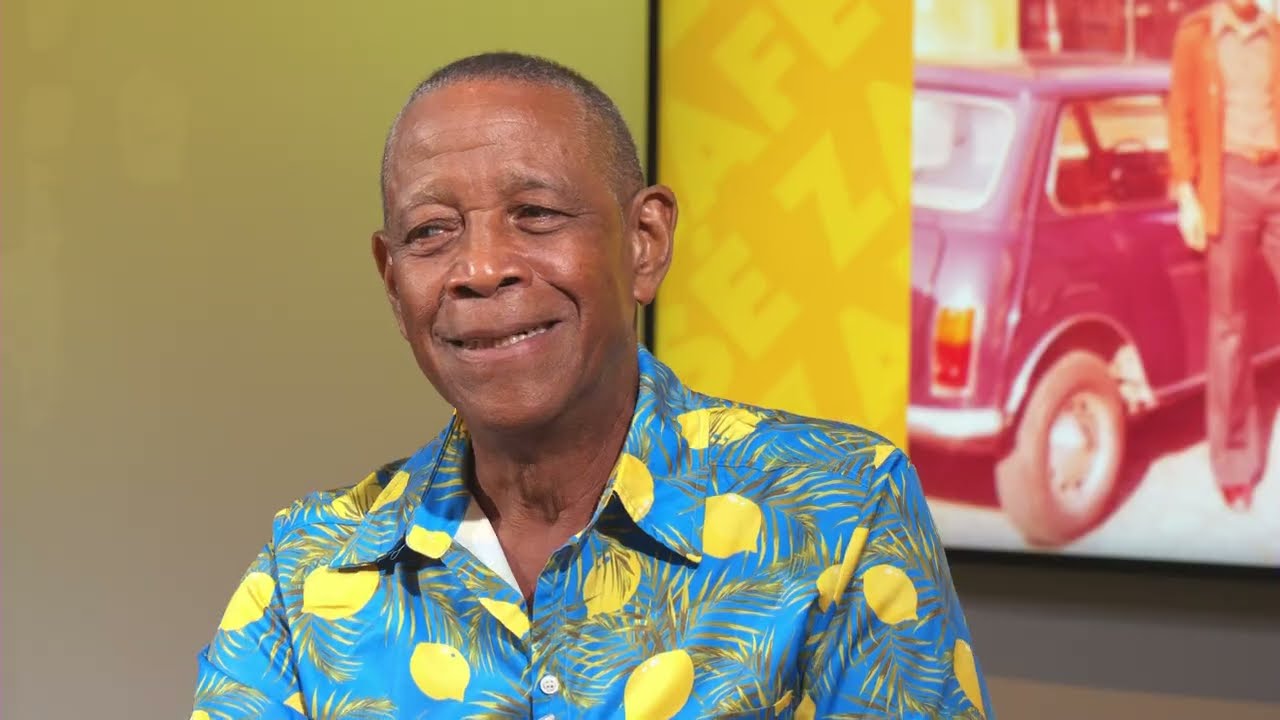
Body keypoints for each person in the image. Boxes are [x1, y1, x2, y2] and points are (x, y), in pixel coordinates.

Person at [191, 52, 990, 719]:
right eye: (432, 232)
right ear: (392, 280)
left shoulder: (839, 510)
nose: (480, 269)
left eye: (535, 214)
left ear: (644, 242)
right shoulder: (310, 568)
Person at [1168, 0, 1280, 512]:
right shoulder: (1197, 36)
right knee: (1230, 328)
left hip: (1276, 178)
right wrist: (1186, 194)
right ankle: (1235, 464)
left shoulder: (1275, 34)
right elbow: (1180, 118)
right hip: (1227, 184)